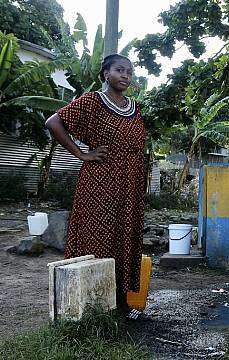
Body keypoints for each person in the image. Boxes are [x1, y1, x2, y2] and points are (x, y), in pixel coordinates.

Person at [45, 54, 145, 315]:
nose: (125, 75)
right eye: (119, 70)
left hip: (129, 187)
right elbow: (53, 122)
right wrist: (81, 153)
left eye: (129, 72)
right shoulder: (92, 101)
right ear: (105, 74)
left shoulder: (135, 108)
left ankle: (121, 306)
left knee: (125, 238)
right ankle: (92, 307)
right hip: (99, 185)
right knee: (96, 240)